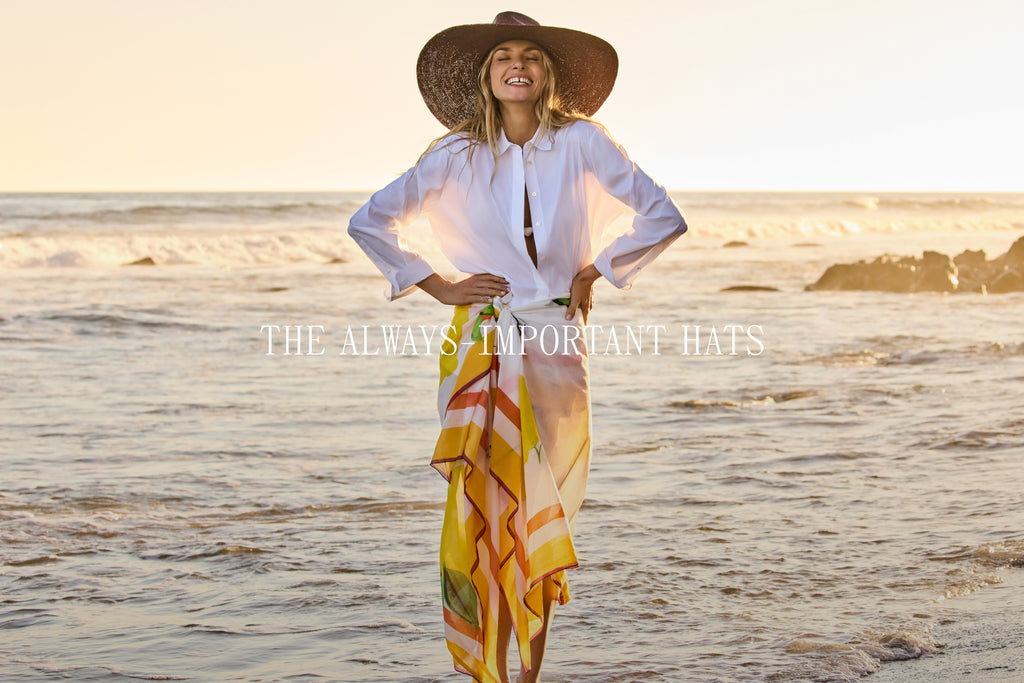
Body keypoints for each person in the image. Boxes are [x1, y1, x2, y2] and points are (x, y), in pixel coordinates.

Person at [348, 11, 687, 683]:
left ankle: (527, 676)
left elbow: (663, 215)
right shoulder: (454, 155)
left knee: (541, 510)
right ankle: (491, 671)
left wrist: (595, 270)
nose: (517, 65)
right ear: (487, 73)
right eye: (503, 55)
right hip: (480, 341)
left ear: (547, 72)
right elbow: (370, 222)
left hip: (555, 339)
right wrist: (440, 286)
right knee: (488, 505)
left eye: (530, 54)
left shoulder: (583, 143)